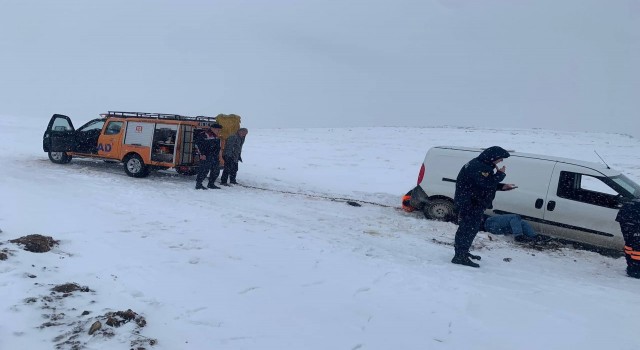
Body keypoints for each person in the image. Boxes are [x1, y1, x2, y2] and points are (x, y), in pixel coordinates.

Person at [452, 146, 516, 268]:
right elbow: (485, 183)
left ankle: (463, 252)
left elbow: (482, 184)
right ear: (493, 157)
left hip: (473, 202)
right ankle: (459, 256)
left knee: (470, 229)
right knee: (467, 229)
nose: (501, 161)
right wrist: (500, 175)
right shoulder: (479, 167)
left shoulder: (482, 165)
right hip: (470, 203)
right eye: (500, 158)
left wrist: (502, 186)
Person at [615, 198, 640, 278]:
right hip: (632, 218)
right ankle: (636, 270)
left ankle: (631, 267)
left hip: (626, 216)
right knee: (637, 246)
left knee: (630, 243)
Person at [194, 123, 222, 190]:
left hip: (214, 156)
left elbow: (217, 146)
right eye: (218, 130)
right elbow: (198, 145)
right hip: (206, 155)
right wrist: (202, 154)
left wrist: (218, 154)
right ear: (213, 128)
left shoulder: (216, 136)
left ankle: (211, 184)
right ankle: (198, 184)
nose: (219, 131)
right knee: (204, 170)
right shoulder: (204, 134)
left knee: (216, 171)